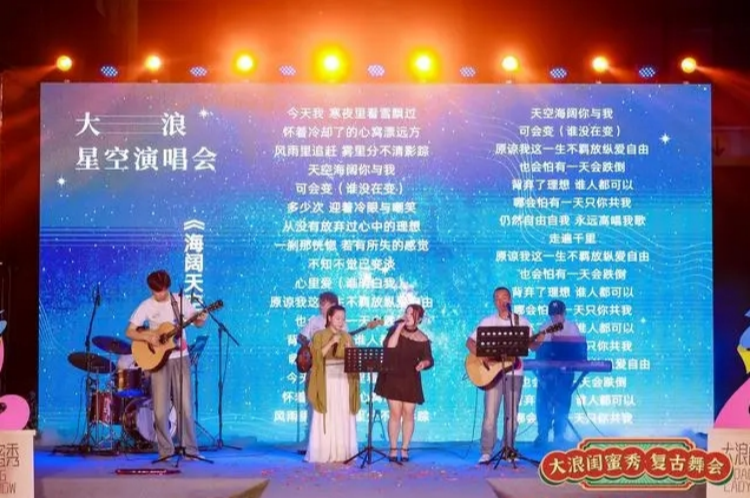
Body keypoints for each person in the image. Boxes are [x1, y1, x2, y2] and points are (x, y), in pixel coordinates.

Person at [124, 269, 206, 460]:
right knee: (160, 410)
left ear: (168, 287)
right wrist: (148, 336)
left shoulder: (179, 300)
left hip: (180, 357)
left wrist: (201, 319)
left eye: (163, 290)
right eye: (156, 291)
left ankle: (190, 451)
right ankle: (165, 451)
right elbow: (130, 331)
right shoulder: (146, 305)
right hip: (158, 360)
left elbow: (197, 322)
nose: (161, 295)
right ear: (151, 290)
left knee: (185, 407)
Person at [466, 286, 532, 464]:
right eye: (497, 298)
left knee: (512, 416)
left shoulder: (521, 321)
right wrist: (482, 355)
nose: (501, 301)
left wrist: (540, 338)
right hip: (492, 375)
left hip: (515, 373)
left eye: (504, 297)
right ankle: (487, 451)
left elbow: (532, 346)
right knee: (490, 415)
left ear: (510, 299)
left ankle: (508, 449)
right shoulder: (488, 321)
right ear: (494, 302)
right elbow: (470, 342)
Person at [374, 304, 433, 463]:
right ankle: (393, 448)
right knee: (395, 413)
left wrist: (424, 364)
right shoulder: (395, 329)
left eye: (412, 314)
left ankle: (405, 449)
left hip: (410, 378)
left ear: (419, 319)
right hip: (392, 376)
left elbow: (429, 359)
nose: (407, 316)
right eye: (406, 312)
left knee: (408, 413)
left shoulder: (423, 338)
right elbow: (389, 347)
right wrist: (399, 328)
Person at [305, 304, 360, 463]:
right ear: (329, 318)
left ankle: (343, 452)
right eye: (337, 318)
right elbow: (316, 357)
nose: (341, 322)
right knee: (327, 413)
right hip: (326, 380)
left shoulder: (347, 337)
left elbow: (354, 362)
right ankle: (322, 452)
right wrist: (331, 342)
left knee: (343, 413)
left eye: (343, 319)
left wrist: (350, 352)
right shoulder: (319, 335)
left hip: (343, 381)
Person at [531, 299, 585, 446]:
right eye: (553, 315)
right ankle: (542, 434)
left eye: (558, 314)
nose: (556, 317)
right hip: (546, 371)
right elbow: (537, 350)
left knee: (563, 398)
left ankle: (559, 435)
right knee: (543, 399)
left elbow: (579, 351)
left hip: (565, 372)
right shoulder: (545, 327)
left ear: (564, 313)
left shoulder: (572, 327)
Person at [296, 291, 344, 452]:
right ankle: (311, 443)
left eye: (324, 304)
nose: (320, 307)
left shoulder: (341, 323)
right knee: (312, 405)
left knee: (332, 407)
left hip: (333, 371)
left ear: (333, 305)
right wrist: (309, 343)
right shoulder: (314, 321)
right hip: (314, 368)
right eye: (320, 304)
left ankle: (330, 443)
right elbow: (300, 337)